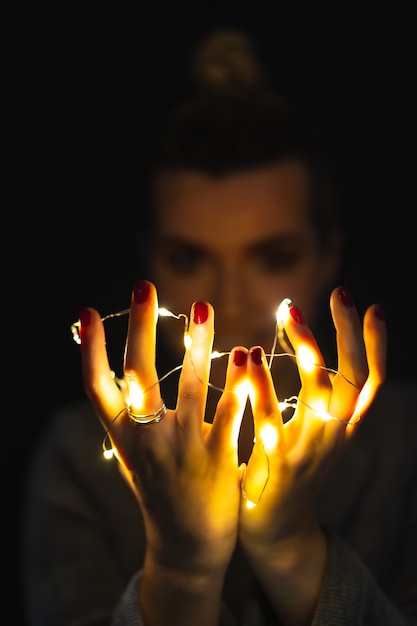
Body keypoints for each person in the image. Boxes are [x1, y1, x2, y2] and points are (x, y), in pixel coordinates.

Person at [20, 30, 417, 626]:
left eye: (273, 257)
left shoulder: (403, 448)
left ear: (328, 256)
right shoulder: (81, 459)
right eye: (188, 259)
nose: (229, 305)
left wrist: (292, 549)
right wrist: (180, 570)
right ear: (149, 260)